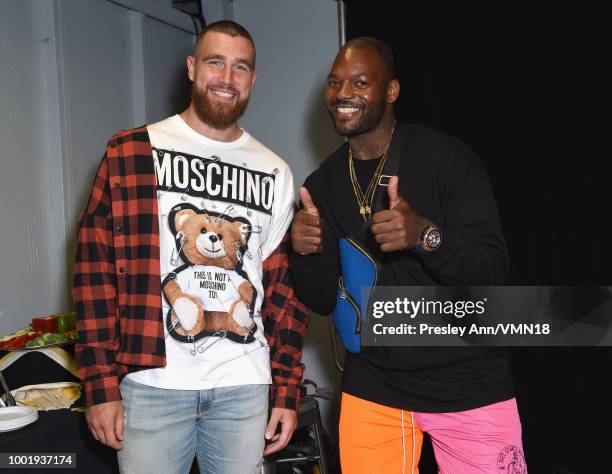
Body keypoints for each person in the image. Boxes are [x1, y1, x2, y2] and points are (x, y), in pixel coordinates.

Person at [73, 20, 308, 474]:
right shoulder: (131, 152)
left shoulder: (275, 170)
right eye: (215, 62)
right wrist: (100, 384)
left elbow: (284, 294)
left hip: (245, 387)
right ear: (191, 68)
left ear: (253, 80)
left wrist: (286, 390)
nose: (227, 77)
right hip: (151, 386)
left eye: (241, 67)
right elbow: (93, 274)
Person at [290, 37, 527, 473]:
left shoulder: (448, 159)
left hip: (467, 380)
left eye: (361, 82)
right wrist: (304, 252)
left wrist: (426, 236)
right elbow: (322, 298)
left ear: (391, 91)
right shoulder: (321, 184)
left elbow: (493, 268)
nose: (344, 93)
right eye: (335, 82)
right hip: (373, 386)